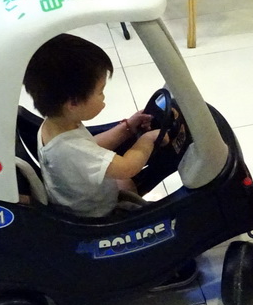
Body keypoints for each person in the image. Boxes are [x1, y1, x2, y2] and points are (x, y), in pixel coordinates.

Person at [23, 33, 160, 218]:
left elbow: (90, 146)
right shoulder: (71, 148)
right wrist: (147, 139)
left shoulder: (55, 124)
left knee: (125, 182)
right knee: (134, 193)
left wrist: (127, 128)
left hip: (76, 197)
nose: (103, 97)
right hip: (96, 214)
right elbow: (127, 167)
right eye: (100, 92)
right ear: (73, 103)